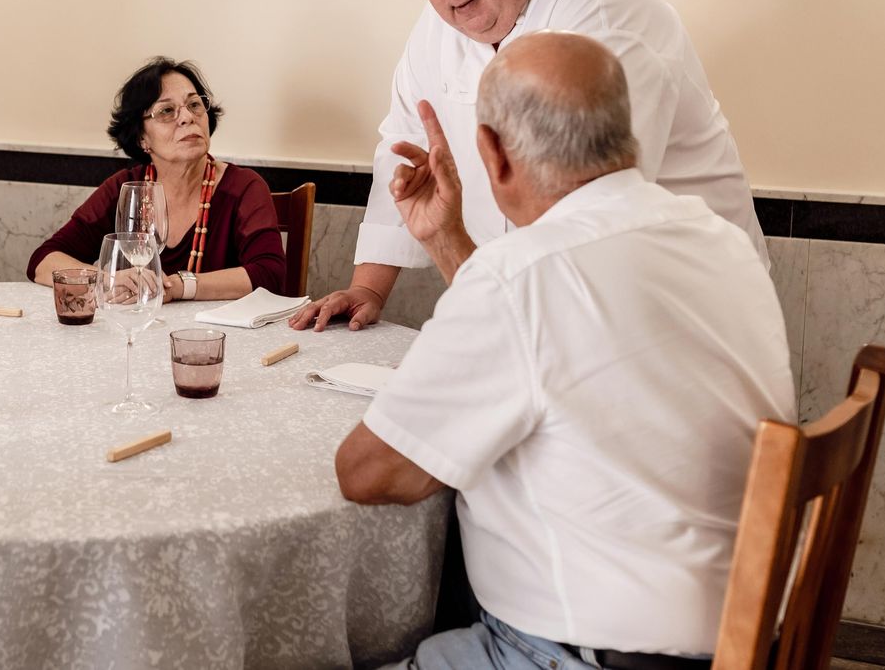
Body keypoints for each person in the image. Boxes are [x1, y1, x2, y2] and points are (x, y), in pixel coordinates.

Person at [334, 33, 794, 668]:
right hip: (742, 638)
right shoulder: (718, 240)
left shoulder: (521, 275)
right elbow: (550, 339)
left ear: (491, 153)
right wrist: (444, 238)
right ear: (622, 130)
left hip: (574, 653)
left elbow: (371, 473)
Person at [293, 0, 766, 333]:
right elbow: (405, 145)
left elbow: (590, 210)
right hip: (548, 309)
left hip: (675, 306)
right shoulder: (451, 13)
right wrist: (369, 290)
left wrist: (499, 310)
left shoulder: (600, 15)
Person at [28, 57, 286, 300]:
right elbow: (43, 261)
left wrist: (180, 286)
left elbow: (269, 274)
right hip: (139, 332)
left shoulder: (243, 188)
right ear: (142, 138)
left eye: (194, 105)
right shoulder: (125, 188)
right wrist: (106, 279)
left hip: (217, 340)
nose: (187, 117)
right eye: (166, 111)